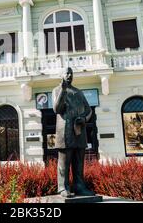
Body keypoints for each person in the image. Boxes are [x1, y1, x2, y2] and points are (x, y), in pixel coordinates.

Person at [52, 67, 94, 198]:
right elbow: (56, 109)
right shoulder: (57, 90)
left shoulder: (78, 92)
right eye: (67, 73)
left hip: (79, 131)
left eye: (71, 73)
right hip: (65, 131)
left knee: (79, 162)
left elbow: (89, 110)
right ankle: (62, 187)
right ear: (61, 75)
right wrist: (63, 91)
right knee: (64, 162)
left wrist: (84, 118)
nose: (69, 75)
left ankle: (79, 186)